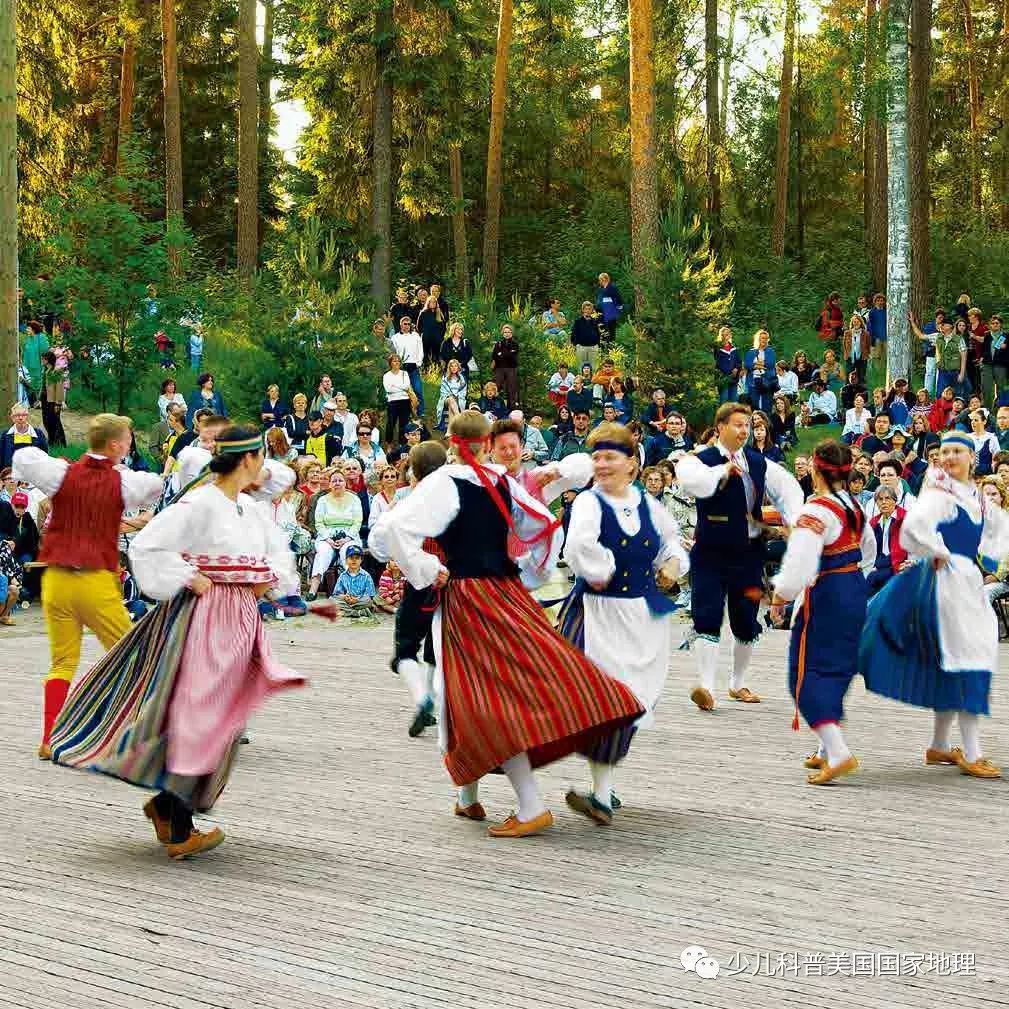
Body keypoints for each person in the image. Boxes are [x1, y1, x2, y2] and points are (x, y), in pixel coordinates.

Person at [50, 426, 315, 859]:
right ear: (246, 460)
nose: (265, 468)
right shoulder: (201, 503)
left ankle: (169, 807)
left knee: (220, 720)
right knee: (198, 715)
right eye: (259, 459)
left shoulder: (245, 507)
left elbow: (265, 552)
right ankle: (175, 823)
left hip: (238, 621)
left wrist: (271, 587)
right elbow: (149, 546)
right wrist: (191, 577)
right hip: (204, 620)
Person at [378, 410, 644, 838]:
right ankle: (468, 796)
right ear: (486, 443)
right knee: (480, 691)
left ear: (451, 441)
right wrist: (524, 569)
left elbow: (392, 528)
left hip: (468, 598)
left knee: (479, 695)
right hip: (506, 593)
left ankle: (530, 804)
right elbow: (544, 525)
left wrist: (427, 568)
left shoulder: (443, 483)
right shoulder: (501, 480)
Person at [860, 430, 1009, 778]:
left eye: (958, 450)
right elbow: (912, 529)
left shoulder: (978, 498)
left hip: (966, 582)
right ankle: (971, 753)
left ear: (972, 457)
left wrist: (991, 558)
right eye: (945, 451)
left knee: (958, 658)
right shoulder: (940, 495)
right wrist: (938, 551)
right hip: (946, 584)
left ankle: (940, 745)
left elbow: (999, 536)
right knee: (970, 657)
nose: (951, 457)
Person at [14, 414, 164, 758]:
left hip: (56, 579)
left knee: (62, 662)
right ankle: (128, 735)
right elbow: (154, 484)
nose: (129, 446)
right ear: (114, 445)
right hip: (95, 579)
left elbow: (22, 458)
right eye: (126, 440)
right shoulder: (123, 482)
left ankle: (50, 738)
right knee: (130, 657)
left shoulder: (61, 473)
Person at [560, 422, 689, 823]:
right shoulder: (588, 503)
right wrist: (604, 567)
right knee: (601, 700)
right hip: (597, 614)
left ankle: (604, 787)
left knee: (630, 701)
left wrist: (672, 565)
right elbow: (578, 547)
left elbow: (672, 544)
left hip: (640, 619)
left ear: (632, 463)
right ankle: (599, 793)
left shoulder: (647, 504)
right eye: (596, 456)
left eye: (609, 456)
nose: (601, 464)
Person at [677, 402, 804, 710]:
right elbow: (692, 481)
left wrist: (796, 520)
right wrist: (722, 470)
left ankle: (737, 683)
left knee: (746, 620)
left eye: (747, 425)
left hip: (748, 554)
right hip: (709, 552)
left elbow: (787, 490)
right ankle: (706, 687)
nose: (744, 430)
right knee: (706, 615)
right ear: (720, 427)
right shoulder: (700, 460)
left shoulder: (759, 463)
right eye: (737, 424)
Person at [769, 440, 875, 785]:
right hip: (854, 588)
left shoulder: (816, 511)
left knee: (805, 674)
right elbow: (869, 549)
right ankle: (825, 748)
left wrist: (780, 596)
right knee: (836, 667)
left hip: (827, 594)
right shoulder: (854, 506)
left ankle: (838, 750)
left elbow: (800, 564)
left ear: (816, 470)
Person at [368, 441, 448, 738]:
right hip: (450, 583)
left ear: (414, 472)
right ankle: (433, 703)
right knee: (436, 648)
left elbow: (378, 543)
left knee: (404, 649)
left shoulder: (408, 504)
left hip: (420, 583)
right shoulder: (454, 501)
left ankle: (421, 698)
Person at [307, 469, 363, 600]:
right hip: (327, 536)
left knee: (348, 552)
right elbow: (319, 523)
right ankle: (313, 589)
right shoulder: (322, 500)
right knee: (323, 552)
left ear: (345, 483)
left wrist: (347, 538)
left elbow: (357, 521)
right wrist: (328, 539)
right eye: (334, 481)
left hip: (349, 535)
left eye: (340, 480)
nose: (337, 483)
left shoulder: (355, 499)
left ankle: (352, 588)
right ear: (330, 484)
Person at [865, 486, 910, 594]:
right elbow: (870, 549)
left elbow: (900, 552)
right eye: (880, 499)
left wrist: (876, 566)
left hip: (898, 563)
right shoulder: (874, 522)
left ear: (895, 500)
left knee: (871, 578)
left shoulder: (904, 519)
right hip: (879, 563)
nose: (884, 502)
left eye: (887, 498)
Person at [332, 544, 377, 617]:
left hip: (360, 602)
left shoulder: (366, 576)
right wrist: (344, 597)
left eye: (357, 558)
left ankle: (347, 612)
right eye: (351, 558)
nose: (354, 560)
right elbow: (337, 593)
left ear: (361, 560)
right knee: (332, 600)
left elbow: (370, 595)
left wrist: (357, 599)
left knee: (369, 601)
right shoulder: (342, 576)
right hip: (347, 601)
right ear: (346, 560)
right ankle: (357, 612)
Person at [0, 403, 48, 471]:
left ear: (27, 417)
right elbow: (1, 458)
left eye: (23, 415)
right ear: (12, 418)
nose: (20, 418)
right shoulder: (5, 435)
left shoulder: (38, 434)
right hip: (10, 476)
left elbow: (44, 458)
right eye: (17, 415)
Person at [393, 316, 426, 415]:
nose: (407, 326)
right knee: (401, 390)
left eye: (408, 324)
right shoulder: (395, 338)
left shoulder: (416, 336)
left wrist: (418, 363)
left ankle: (420, 411)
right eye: (405, 324)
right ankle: (402, 410)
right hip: (401, 367)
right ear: (400, 325)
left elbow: (421, 350)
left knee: (417, 389)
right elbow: (394, 353)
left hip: (414, 366)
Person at [382, 353, 413, 446]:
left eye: (398, 361)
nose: (397, 363)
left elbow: (407, 386)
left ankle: (402, 444)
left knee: (404, 424)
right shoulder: (386, 375)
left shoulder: (404, 373)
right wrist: (401, 387)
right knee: (391, 423)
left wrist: (394, 385)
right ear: (390, 363)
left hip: (405, 400)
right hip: (393, 401)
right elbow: (388, 389)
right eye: (394, 361)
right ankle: (389, 444)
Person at [744, 329, 777, 413]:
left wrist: (755, 364)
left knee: (767, 405)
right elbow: (747, 365)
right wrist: (761, 364)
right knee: (754, 405)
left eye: (766, 338)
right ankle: (754, 424)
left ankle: (767, 424)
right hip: (753, 381)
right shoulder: (751, 352)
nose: (764, 340)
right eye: (762, 338)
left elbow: (770, 363)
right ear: (758, 339)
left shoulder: (771, 351)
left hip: (767, 381)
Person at [491, 324, 519, 410]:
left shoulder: (515, 344)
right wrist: (506, 354)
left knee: (511, 390)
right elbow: (494, 356)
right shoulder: (498, 344)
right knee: (496, 388)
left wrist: (501, 354)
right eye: (505, 332)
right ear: (502, 333)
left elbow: (512, 356)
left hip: (511, 369)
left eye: (509, 332)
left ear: (511, 333)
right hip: (499, 369)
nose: (507, 334)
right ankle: (494, 407)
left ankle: (511, 410)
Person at [436, 359, 468, 430]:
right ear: (449, 368)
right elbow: (443, 391)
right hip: (446, 399)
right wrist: (449, 395)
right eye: (452, 366)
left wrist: (457, 396)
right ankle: (460, 420)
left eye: (455, 366)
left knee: (452, 404)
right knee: (451, 399)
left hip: (458, 399)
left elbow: (463, 391)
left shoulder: (462, 379)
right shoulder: (445, 378)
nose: (454, 368)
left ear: (458, 367)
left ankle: (449, 430)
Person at [417, 294, 447, 366]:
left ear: (436, 303)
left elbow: (444, 326)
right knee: (426, 355)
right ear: (428, 303)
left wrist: (440, 336)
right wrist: (425, 333)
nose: (433, 303)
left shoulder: (439, 313)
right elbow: (419, 326)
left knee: (436, 356)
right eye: (431, 302)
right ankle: (426, 370)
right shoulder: (423, 313)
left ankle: (436, 370)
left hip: (437, 339)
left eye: (434, 302)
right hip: (426, 338)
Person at [713, 327, 741, 404]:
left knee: (734, 402)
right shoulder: (717, 348)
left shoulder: (734, 348)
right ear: (721, 336)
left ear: (730, 335)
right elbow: (716, 363)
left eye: (727, 334)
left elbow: (738, 361)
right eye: (724, 335)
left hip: (734, 379)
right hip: (723, 379)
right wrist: (727, 372)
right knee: (724, 401)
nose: (726, 336)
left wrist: (736, 368)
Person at [570, 301, 601, 369]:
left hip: (593, 348)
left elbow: (598, 334)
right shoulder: (578, 321)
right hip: (581, 348)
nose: (587, 311)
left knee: (594, 368)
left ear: (592, 310)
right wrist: (575, 344)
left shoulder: (595, 321)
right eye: (586, 309)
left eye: (589, 309)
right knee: (581, 368)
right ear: (583, 310)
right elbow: (573, 334)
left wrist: (598, 345)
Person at [842, 313, 870, 384]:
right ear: (852, 323)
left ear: (861, 323)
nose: (856, 323)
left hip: (862, 357)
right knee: (849, 374)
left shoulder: (866, 334)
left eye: (858, 321)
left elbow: (868, 345)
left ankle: (861, 391)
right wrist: (846, 355)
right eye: (854, 322)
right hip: (850, 357)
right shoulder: (847, 333)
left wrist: (866, 355)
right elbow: (844, 345)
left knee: (861, 376)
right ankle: (846, 390)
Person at [867, 292, 887, 361]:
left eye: (882, 300)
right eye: (878, 301)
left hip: (886, 338)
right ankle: (878, 371)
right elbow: (870, 326)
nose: (880, 302)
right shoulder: (872, 312)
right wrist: (872, 338)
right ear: (875, 302)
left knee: (886, 357)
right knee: (877, 357)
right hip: (876, 338)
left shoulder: (887, 312)